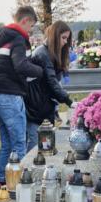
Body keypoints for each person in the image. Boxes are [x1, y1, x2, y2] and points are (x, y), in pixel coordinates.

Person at [0, 5, 44, 187]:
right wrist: (40, 71)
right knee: (19, 144)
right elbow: (21, 65)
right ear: (25, 20)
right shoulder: (18, 39)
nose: (30, 30)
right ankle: (21, 185)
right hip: (12, 98)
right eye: (31, 26)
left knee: (6, 144)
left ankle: (2, 181)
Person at [25, 20, 74, 150]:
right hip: (36, 107)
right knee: (36, 145)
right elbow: (51, 81)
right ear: (55, 36)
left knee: (44, 144)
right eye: (63, 38)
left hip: (43, 106)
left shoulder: (49, 53)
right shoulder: (42, 53)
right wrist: (69, 101)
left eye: (67, 39)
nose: (65, 42)